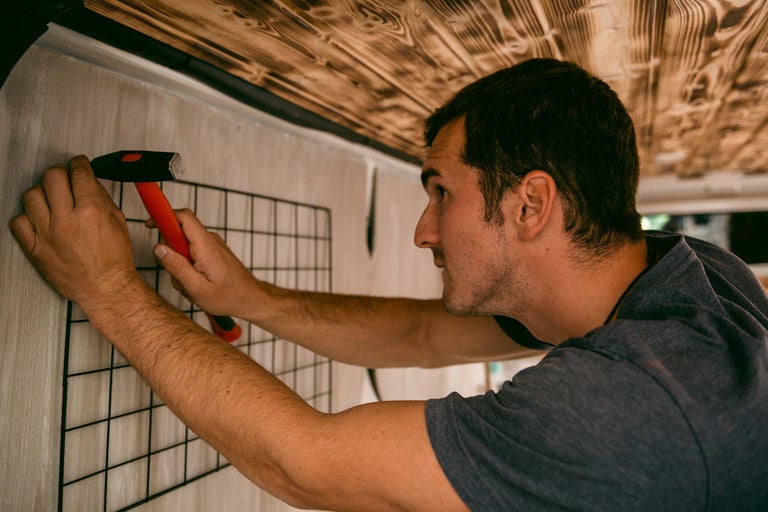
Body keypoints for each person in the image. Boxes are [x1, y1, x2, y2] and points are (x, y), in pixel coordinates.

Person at [10, 58, 768, 510]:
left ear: (532, 204)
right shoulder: (680, 276)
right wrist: (248, 300)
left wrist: (110, 290)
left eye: (441, 192)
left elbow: (302, 462)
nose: (423, 230)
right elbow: (425, 335)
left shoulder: (628, 412)